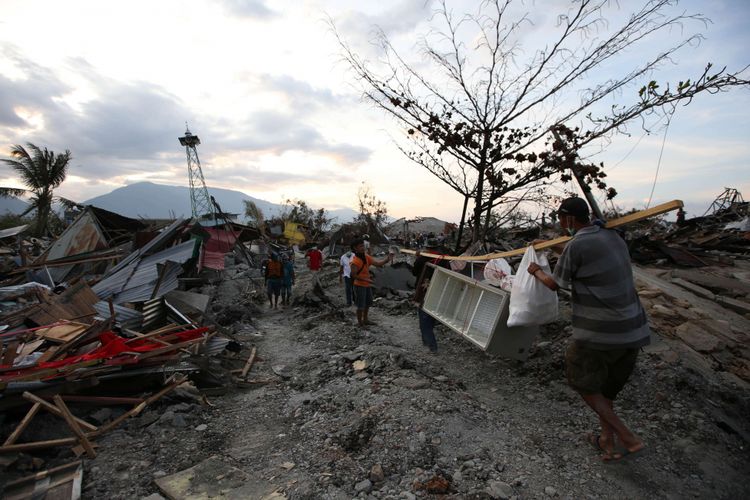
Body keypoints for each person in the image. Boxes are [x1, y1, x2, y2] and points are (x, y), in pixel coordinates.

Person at [527, 196, 649, 462]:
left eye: (561, 219)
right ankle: (607, 441)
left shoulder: (577, 245)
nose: (560, 225)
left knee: (581, 381)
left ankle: (627, 437)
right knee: (604, 391)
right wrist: (556, 247)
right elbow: (581, 255)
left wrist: (535, 270)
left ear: (569, 219)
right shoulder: (613, 236)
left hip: (601, 332)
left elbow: (554, 283)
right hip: (634, 330)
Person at [412, 239, 450, 353]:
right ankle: (426, 340)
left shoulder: (421, 258)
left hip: (423, 291)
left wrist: (417, 258)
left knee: (424, 319)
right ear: (437, 247)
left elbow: (414, 272)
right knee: (431, 316)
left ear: (427, 247)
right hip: (438, 291)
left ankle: (431, 345)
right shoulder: (443, 259)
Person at [350, 238, 392, 327]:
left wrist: (387, 259)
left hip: (367, 284)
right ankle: (360, 323)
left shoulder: (366, 256)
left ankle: (365, 320)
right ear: (355, 248)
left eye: (363, 246)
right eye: (360, 246)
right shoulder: (354, 261)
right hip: (359, 285)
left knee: (368, 303)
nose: (363, 248)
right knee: (360, 305)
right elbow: (353, 275)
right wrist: (366, 279)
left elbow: (377, 263)